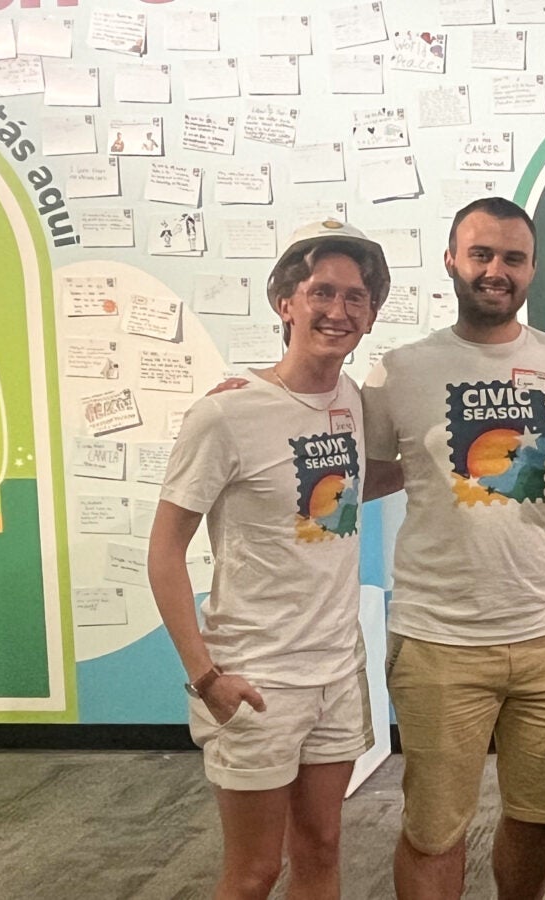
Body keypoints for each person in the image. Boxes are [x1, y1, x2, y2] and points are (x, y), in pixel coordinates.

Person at [365, 198, 545, 900]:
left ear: (532, 269)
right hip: (439, 639)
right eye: (481, 255)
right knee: (435, 829)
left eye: (512, 257)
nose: (495, 270)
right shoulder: (402, 370)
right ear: (451, 260)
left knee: (538, 816)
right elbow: (366, 471)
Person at [149, 220, 390, 900]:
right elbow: (164, 551)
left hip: (339, 671)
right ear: (285, 302)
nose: (338, 311)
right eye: (322, 292)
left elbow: (355, 486)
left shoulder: (351, 404)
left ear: (370, 316)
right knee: (254, 872)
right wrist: (206, 676)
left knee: (322, 849)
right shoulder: (226, 415)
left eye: (355, 297)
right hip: (256, 680)